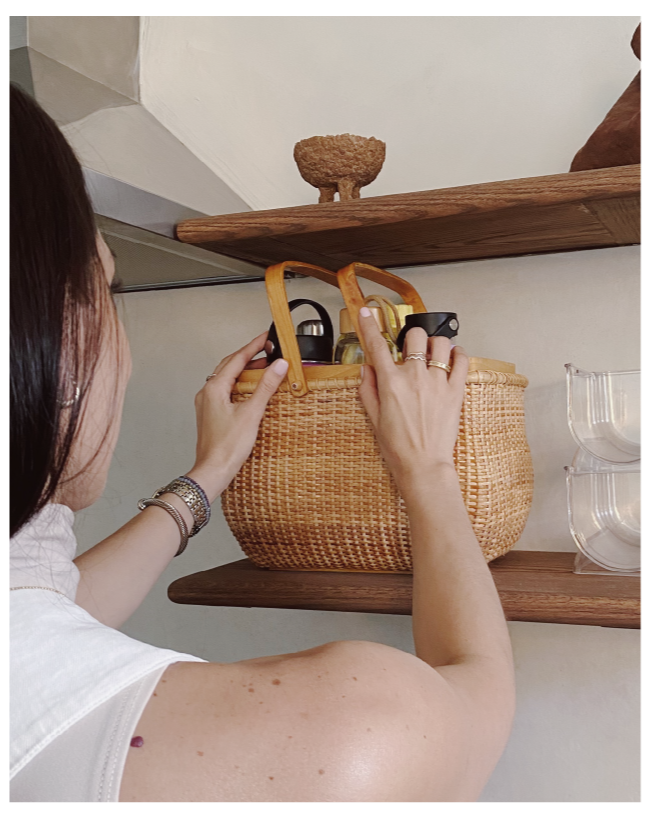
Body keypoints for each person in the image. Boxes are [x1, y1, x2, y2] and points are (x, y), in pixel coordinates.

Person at [9, 82, 515, 804]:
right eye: (109, 291)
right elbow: (478, 690)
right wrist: (428, 467)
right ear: (62, 345)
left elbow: (49, 607)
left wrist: (207, 477)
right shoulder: (344, 734)